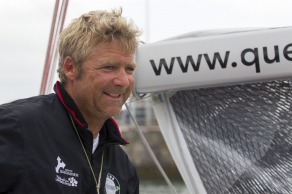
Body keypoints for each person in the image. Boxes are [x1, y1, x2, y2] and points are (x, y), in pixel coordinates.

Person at [0, 8, 141, 194]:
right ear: (70, 68)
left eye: (129, 69)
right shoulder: (14, 129)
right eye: (109, 67)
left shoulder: (122, 166)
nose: (123, 81)